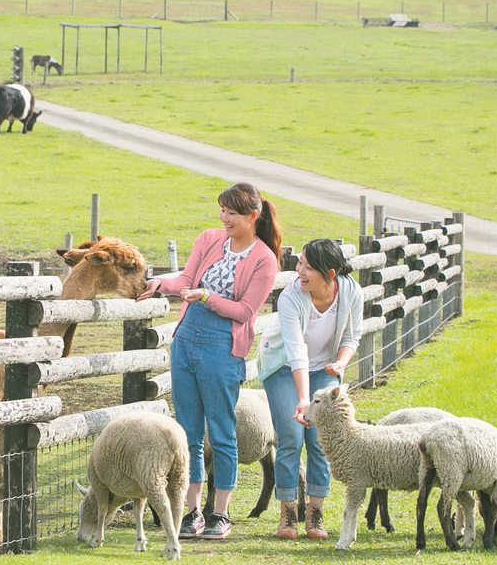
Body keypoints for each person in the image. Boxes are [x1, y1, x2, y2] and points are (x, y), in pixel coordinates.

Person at [136, 182, 281, 540]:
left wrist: (206, 297)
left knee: (221, 432)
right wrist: (160, 284)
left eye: (231, 212)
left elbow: (246, 311)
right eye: (222, 210)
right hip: (185, 341)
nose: (224, 218)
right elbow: (185, 279)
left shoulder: (265, 259)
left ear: (253, 216)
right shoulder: (208, 239)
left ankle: (221, 513)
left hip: (223, 347)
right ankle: (193, 511)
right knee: (187, 432)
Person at [256, 238, 363, 540]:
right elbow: (295, 351)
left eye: (307, 267)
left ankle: (315, 515)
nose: (299, 270)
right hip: (283, 368)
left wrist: (341, 364)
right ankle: (288, 515)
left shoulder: (351, 292)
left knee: (319, 439)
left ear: (330, 274)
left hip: (324, 368)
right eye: (299, 262)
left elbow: (352, 337)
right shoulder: (292, 295)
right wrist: (303, 399)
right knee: (290, 436)